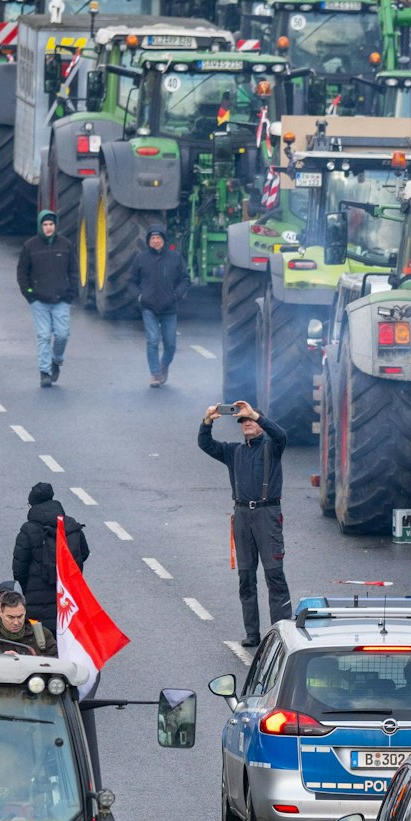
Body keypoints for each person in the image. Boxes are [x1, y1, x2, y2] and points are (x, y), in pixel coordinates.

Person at [198, 400, 290, 646]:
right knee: (246, 578)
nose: (246, 423)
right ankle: (252, 633)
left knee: (274, 575)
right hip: (241, 517)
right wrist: (207, 421)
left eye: (250, 419)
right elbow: (205, 444)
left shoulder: (272, 447)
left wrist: (256, 415)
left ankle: (281, 633)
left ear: (260, 424)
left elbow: (281, 435)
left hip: (267, 515)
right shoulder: (234, 451)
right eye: (243, 421)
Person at [12, 482, 89, 628]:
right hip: (67, 596)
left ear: (32, 504)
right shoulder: (71, 525)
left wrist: (25, 590)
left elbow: (20, 567)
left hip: (36, 599)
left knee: (40, 637)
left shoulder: (28, 529)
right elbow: (84, 553)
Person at [17, 209, 77, 386]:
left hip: (61, 300)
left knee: (62, 334)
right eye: (45, 224)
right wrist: (30, 294)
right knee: (43, 336)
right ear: (40, 226)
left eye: (51, 224)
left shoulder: (65, 245)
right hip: (39, 301)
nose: (48, 228)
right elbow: (22, 272)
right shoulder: (30, 246)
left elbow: (74, 271)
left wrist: (71, 293)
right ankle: (44, 372)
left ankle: (56, 360)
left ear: (55, 226)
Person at [136, 224, 188, 386]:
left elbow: (185, 279)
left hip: (169, 309)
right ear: (148, 241)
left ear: (164, 240)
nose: (155, 241)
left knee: (170, 344)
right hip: (149, 308)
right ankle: (155, 374)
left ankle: (163, 365)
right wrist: (139, 296)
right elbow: (131, 281)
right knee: (152, 341)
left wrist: (176, 295)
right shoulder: (141, 258)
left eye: (158, 238)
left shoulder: (175, 257)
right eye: (152, 238)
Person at [0, 589, 55, 655]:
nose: (16, 622)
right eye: (10, 617)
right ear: (0, 612)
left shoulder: (41, 635)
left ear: (25, 611)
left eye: (20, 616)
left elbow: (55, 662)